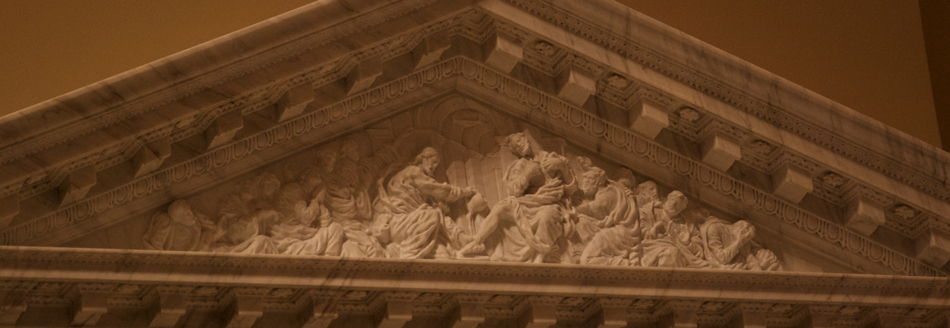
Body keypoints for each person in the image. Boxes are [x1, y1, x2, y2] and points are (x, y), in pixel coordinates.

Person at [458, 132, 575, 263]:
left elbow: (572, 188)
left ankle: (539, 257)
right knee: (502, 207)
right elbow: (513, 191)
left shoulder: (552, 157)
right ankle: (477, 241)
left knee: (547, 216)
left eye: (519, 141)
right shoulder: (520, 165)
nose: (519, 146)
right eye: (516, 147)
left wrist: (562, 166)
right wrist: (527, 174)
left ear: (525, 138)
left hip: (550, 203)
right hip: (529, 201)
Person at [372, 147, 476, 259]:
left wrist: (441, 207)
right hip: (400, 223)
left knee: (444, 254)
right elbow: (441, 190)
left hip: (412, 226)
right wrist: (465, 192)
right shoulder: (413, 171)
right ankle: (406, 252)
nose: (434, 167)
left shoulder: (415, 186)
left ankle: (461, 239)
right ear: (424, 159)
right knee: (432, 214)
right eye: (434, 162)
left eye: (436, 165)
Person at [574, 167, 643, 266]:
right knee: (582, 222)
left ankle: (624, 264)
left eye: (589, 179)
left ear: (599, 182)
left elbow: (590, 209)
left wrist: (571, 201)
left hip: (619, 234)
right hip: (617, 231)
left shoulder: (607, 195)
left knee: (586, 260)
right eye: (585, 178)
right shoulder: (611, 188)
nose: (585, 181)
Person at [639, 191, 706, 267]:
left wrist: (687, 243)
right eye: (672, 200)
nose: (673, 204)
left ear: (683, 208)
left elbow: (699, 251)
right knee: (671, 253)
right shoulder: (651, 213)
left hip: (680, 255)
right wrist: (654, 230)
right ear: (667, 198)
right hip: (653, 249)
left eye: (678, 204)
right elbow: (640, 234)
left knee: (672, 253)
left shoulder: (687, 224)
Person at [271, 191, 345, 256]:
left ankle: (329, 259)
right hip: (296, 238)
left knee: (336, 227)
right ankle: (329, 259)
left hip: (307, 237)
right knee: (335, 228)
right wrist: (317, 200)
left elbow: (326, 221)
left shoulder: (308, 198)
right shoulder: (295, 191)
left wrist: (320, 204)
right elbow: (306, 217)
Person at [697, 215, 782, 271]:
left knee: (767, 258)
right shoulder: (714, 227)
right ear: (739, 226)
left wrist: (746, 251)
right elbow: (722, 258)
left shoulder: (742, 242)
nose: (745, 239)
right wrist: (738, 243)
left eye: (748, 238)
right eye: (745, 234)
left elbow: (752, 262)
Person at [143, 200, 220, 252]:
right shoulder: (166, 221)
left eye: (189, 210)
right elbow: (156, 243)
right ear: (179, 219)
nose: (191, 214)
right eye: (186, 214)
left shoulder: (195, 225)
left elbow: (211, 230)